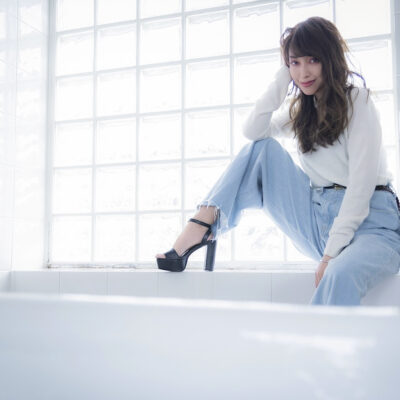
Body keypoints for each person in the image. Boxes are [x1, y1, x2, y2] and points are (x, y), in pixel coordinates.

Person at [155, 16, 400, 306]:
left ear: (330, 59)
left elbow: (361, 187)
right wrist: (282, 80)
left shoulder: (358, 101)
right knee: (263, 150)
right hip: (318, 222)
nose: (303, 71)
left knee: (339, 274)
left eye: (313, 60)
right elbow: (253, 131)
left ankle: (317, 339)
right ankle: (201, 225)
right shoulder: (302, 114)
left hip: (373, 227)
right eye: (295, 62)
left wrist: (330, 255)